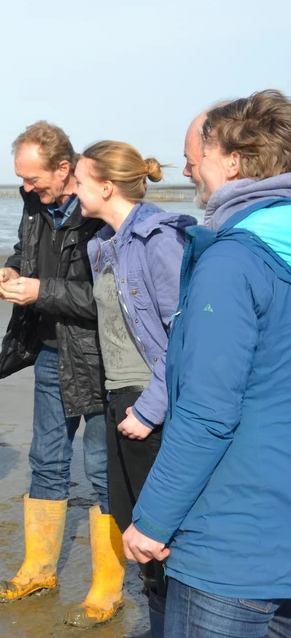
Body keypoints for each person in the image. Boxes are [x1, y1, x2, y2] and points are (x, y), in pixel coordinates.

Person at [122, 90, 291, 636]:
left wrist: (152, 521)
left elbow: (207, 410)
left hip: (232, 545)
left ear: (235, 163)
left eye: (202, 154)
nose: (192, 168)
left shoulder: (233, 260)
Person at [0, 122, 111, 621]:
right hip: (51, 350)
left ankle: (107, 586)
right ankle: (38, 569)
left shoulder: (102, 209)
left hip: (100, 358)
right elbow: (29, 255)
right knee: (46, 459)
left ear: (64, 169)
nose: (26, 187)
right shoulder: (33, 201)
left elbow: (111, 300)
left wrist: (41, 291)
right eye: (21, 179)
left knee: (100, 470)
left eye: (33, 178)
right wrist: (13, 271)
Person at [73, 141, 195, 634]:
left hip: (152, 403)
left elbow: (184, 336)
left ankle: (176, 623)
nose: (73, 190)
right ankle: (163, 621)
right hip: (119, 396)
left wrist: (150, 410)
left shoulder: (158, 240)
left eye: (79, 181)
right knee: (130, 524)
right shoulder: (105, 243)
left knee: (159, 534)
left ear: (106, 186)